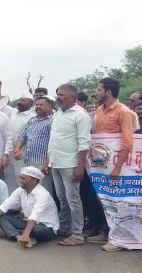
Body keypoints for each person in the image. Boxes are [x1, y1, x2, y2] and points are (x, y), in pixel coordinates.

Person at [87, 78, 134, 251]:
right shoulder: (99, 110)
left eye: (99, 89)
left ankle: (119, 239)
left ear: (108, 92)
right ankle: (104, 232)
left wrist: (118, 167)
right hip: (99, 164)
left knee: (116, 201)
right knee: (101, 199)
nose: (96, 92)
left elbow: (128, 142)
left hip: (115, 166)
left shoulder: (124, 111)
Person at [45, 83, 91, 246]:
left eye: (62, 95)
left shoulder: (81, 115)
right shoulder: (58, 114)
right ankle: (65, 228)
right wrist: (48, 161)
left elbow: (84, 143)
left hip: (71, 164)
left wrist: (80, 166)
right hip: (56, 162)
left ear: (72, 97)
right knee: (62, 198)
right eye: (57, 94)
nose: (58, 97)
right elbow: (53, 139)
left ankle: (77, 234)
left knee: (73, 199)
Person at [0, 167, 59, 248]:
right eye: (20, 178)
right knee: (1, 217)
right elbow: (5, 205)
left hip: (46, 228)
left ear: (34, 180)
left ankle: (16, 233)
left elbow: (35, 216)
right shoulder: (20, 190)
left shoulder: (42, 194)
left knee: (37, 230)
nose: (20, 181)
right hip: (28, 223)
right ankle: (17, 237)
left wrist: (26, 233)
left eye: (23, 179)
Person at [14, 96, 55, 194]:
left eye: (41, 105)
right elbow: (22, 136)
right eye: (37, 105)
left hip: (43, 163)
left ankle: (45, 209)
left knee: (44, 190)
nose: (38, 107)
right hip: (29, 162)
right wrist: (17, 149)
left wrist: (48, 162)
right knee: (29, 189)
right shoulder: (32, 120)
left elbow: (54, 143)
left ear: (50, 107)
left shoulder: (52, 122)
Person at [5, 93, 35, 192]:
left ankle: (24, 202)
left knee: (20, 177)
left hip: (22, 153)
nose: (20, 102)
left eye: (23, 100)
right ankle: (12, 204)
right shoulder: (13, 113)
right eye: (19, 100)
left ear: (31, 104)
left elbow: (27, 135)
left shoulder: (32, 117)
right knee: (9, 176)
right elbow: (1, 105)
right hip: (10, 152)